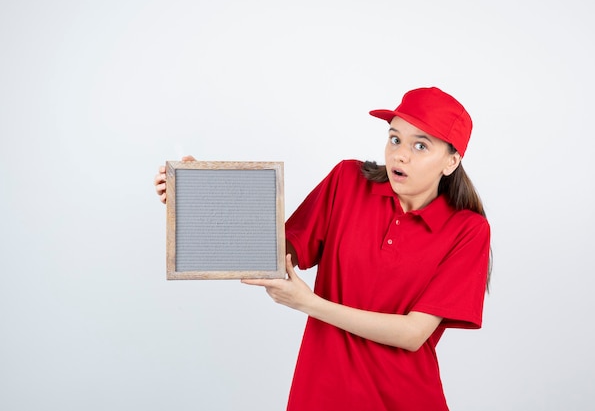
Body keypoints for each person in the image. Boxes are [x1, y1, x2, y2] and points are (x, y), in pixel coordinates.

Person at [154, 87, 491, 411]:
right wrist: (203, 194)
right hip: (320, 395)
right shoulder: (347, 181)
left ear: (451, 162)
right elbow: (271, 256)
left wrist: (310, 304)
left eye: (421, 146)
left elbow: (412, 334)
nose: (400, 153)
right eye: (395, 138)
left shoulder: (468, 230)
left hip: (406, 400)